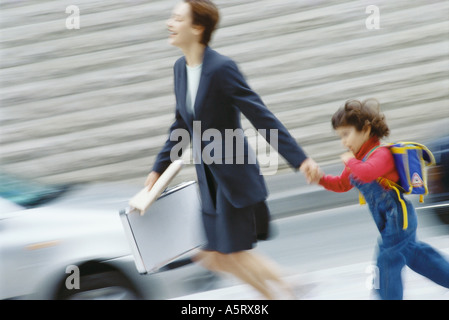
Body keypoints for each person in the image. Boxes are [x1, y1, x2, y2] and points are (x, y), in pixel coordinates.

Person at [144, 0, 318, 299]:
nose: (169, 23)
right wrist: (158, 169)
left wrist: (299, 159)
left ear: (197, 28)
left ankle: (288, 288)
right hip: (208, 181)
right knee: (211, 256)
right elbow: (181, 126)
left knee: (232, 253)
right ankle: (286, 289)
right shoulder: (180, 69)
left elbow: (260, 115)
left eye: (176, 18)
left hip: (232, 177)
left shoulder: (222, 68)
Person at [307, 98, 449, 300]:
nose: (344, 142)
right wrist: (320, 178)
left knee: (387, 260)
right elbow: (341, 184)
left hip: (399, 218)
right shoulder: (356, 160)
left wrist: (351, 161)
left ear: (365, 129)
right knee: (417, 256)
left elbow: (367, 173)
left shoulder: (380, 154)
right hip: (388, 222)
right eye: (340, 137)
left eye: (346, 134)